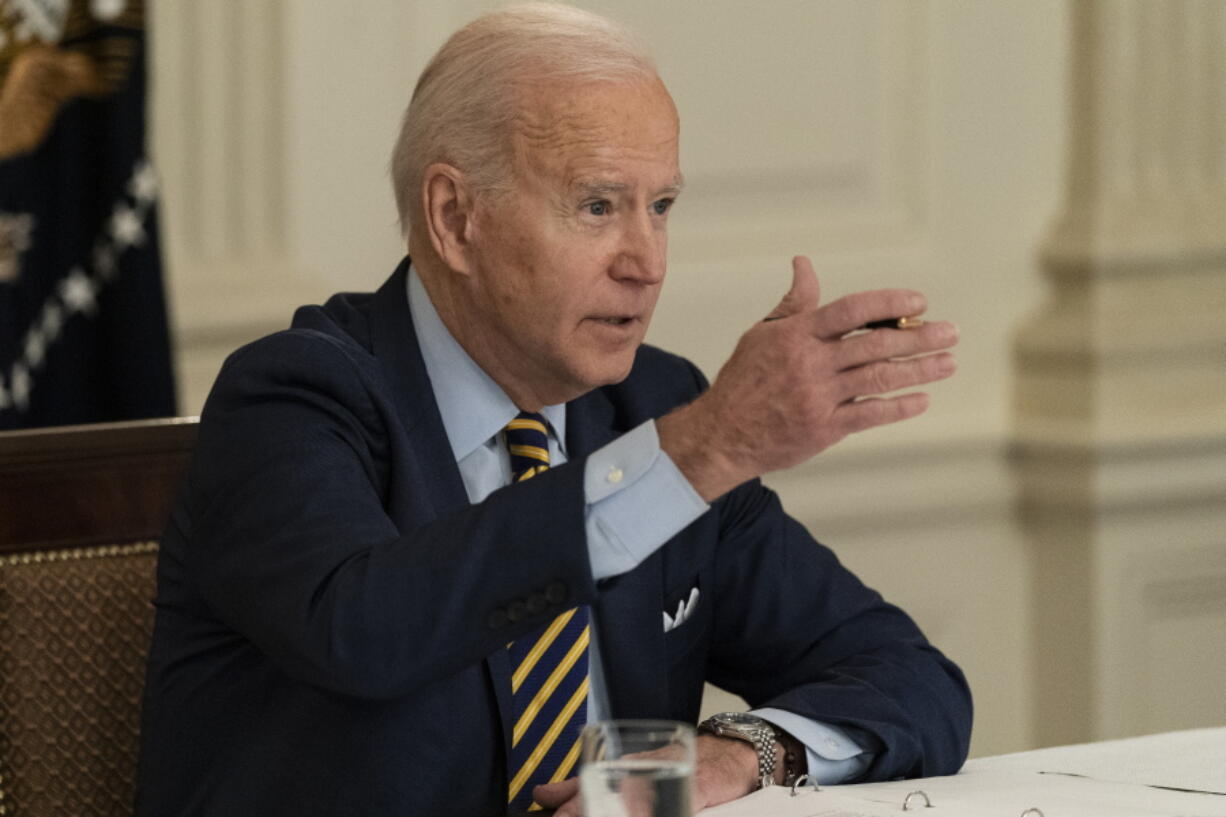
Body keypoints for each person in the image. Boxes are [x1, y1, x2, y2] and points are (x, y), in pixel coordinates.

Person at [135, 4, 971, 816]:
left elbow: (908, 676)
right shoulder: (292, 398)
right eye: (599, 206)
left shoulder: (655, 402)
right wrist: (701, 450)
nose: (646, 262)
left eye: (663, 206)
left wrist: (734, 754)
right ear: (455, 218)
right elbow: (364, 632)